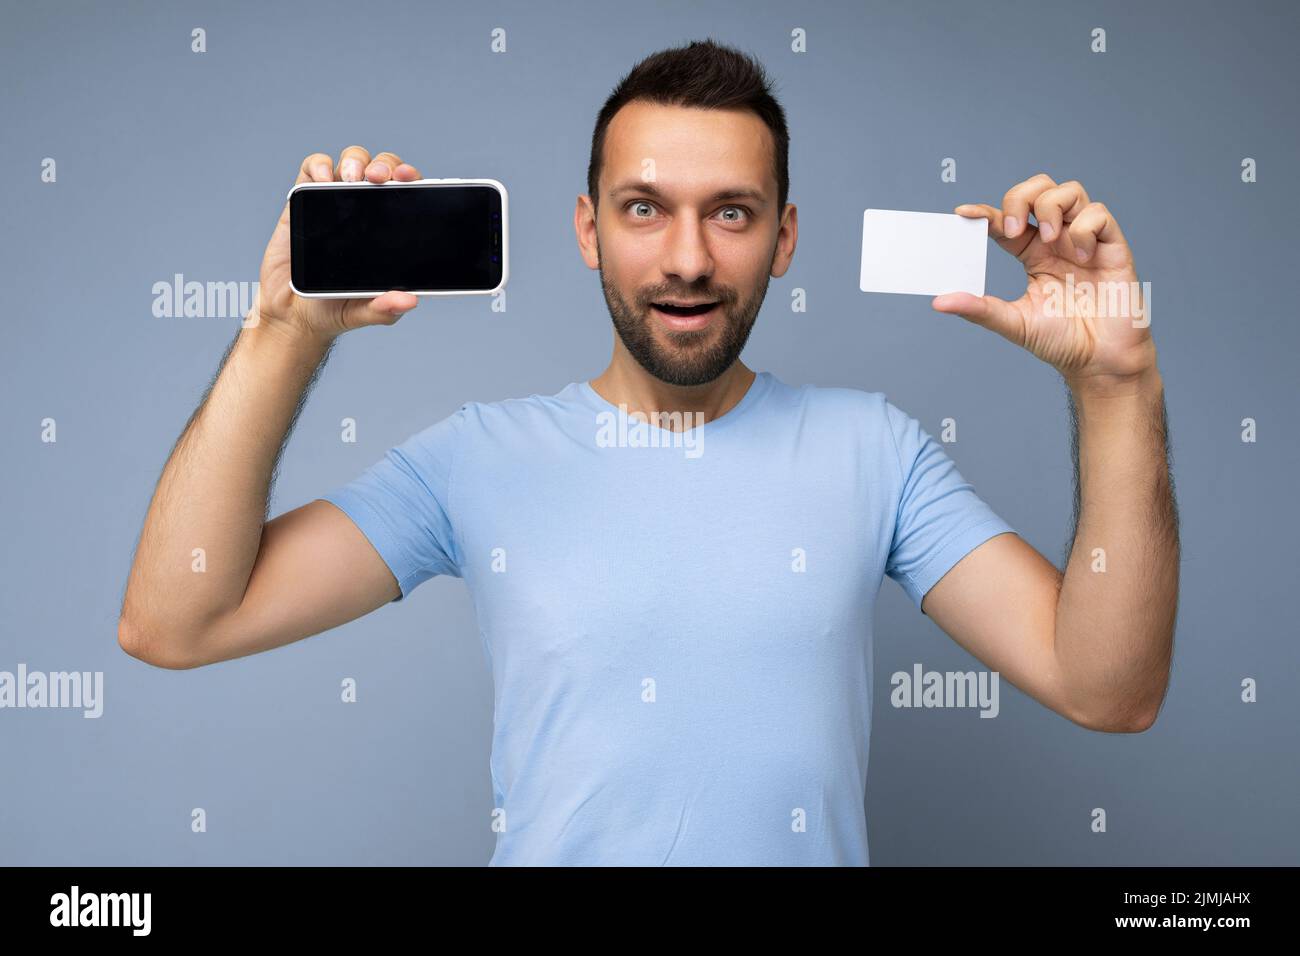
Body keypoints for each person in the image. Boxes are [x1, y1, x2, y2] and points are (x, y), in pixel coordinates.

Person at [117, 38, 1179, 866]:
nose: (686, 258)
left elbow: (1106, 688)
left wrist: (1116, 385)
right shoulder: (475, 459)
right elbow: (175, 619)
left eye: (730, 213)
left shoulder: (876, 450)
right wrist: (285, 330)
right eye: (643, 209)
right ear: (588, 230)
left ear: (784, 236)